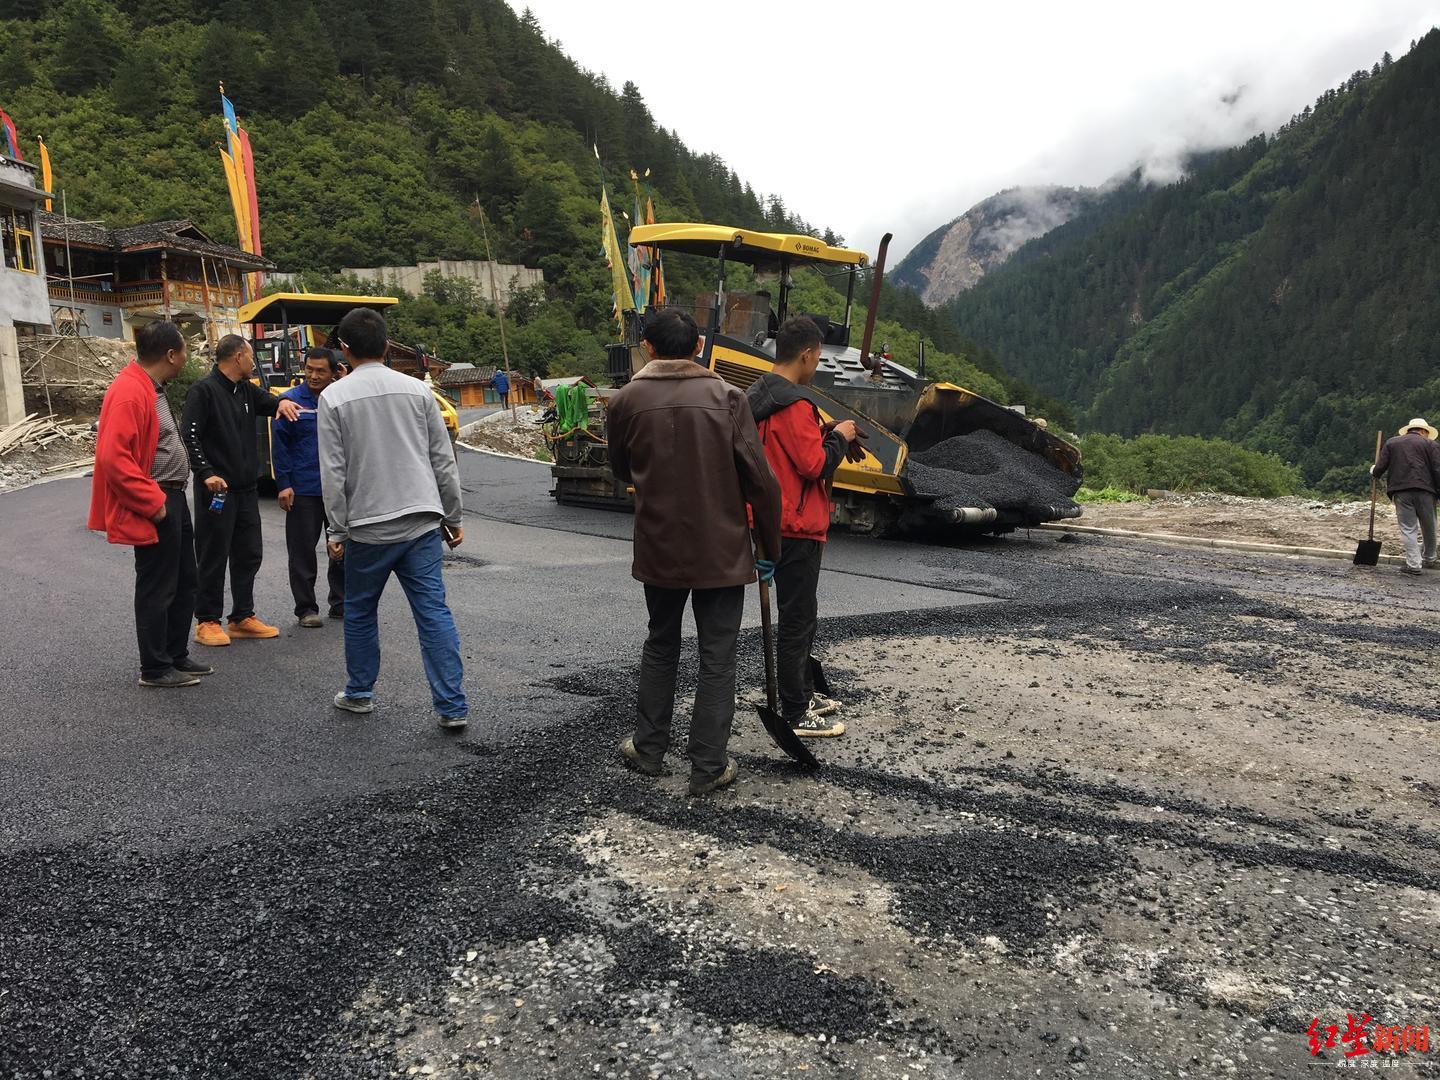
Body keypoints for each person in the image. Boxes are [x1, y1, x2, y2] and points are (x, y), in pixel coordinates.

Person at [606, 309, 783, 795]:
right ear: (700, 344)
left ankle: (648, 749)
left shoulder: (624, 401)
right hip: (721, 551)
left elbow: (622, 468)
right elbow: (761, 482)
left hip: (660, 546)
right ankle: (707, 767)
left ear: (648, 348)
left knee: (661, 643)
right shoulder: (728, 398)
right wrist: (769, 545)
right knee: (717, 655)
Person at [318, 307, 469, 729]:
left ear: (344, 351)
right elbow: (443, 459)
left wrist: (337, 528)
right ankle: (452, 706)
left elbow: (332, 471)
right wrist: (452, 516)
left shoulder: (334, 397)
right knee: (433, 612)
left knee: (361, 610)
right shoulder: (419, 392)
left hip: (367, 527)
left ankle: (360, 692)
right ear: (386, 346)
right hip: (421, 521)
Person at [747, 317, 864, 737]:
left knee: (797, 614)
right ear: (807, 354)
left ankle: (797, 690)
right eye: (817, 357)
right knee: (797, 617)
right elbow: (812, 464)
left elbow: (782, 448)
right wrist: (839, 437)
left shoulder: (757, 396)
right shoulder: (795, 403)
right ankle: (795, 710)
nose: (817, 364)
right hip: (797, 524)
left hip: (768, 521)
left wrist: (823, 432)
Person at [88, 321, 212, 688]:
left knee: (185, 580)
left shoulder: (152, 387)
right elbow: (113, 458)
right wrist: (153, 503)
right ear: (171, 355)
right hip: (158, 498)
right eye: (185, 351)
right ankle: (155, 668)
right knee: (158, 585)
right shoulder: (129, 391)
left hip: (172, 494)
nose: (187, 357)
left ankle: (175, 655)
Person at [181, 334, 300, 646]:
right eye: (250, 357)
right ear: (237, 357)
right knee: (212, 554)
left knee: (248, 553)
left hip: (246, 490)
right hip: (217, 491)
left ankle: (242, 617)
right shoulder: (204, 391)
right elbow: (189, 436)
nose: (253, 363)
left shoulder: (246, 390)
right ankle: (207, 620)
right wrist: (205, 472)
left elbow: (271, 402)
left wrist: (283, 401)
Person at [273, 347, 346, 627]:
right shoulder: (289, 402)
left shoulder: (340, 399)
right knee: (302, 551)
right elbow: (280, 446)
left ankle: (340, 602)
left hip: (337, 488)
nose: (314, 376)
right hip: (303, 487)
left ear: (333, 372)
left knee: (341, 545)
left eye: (321, 371)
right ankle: (306, 608)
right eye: (310, 370)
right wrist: (284, 484)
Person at [1372, 417, 1440, 576]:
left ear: (1410, 429)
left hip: (1401, 490)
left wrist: (1374, 471)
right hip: (1426, 490)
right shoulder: (1431, 444)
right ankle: (1430, 558)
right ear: (1423, 431)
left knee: (1408, 528)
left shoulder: (1392, 443)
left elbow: (1380, 467)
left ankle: (1414, 564)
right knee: (1429, 524)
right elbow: (1438, 470)